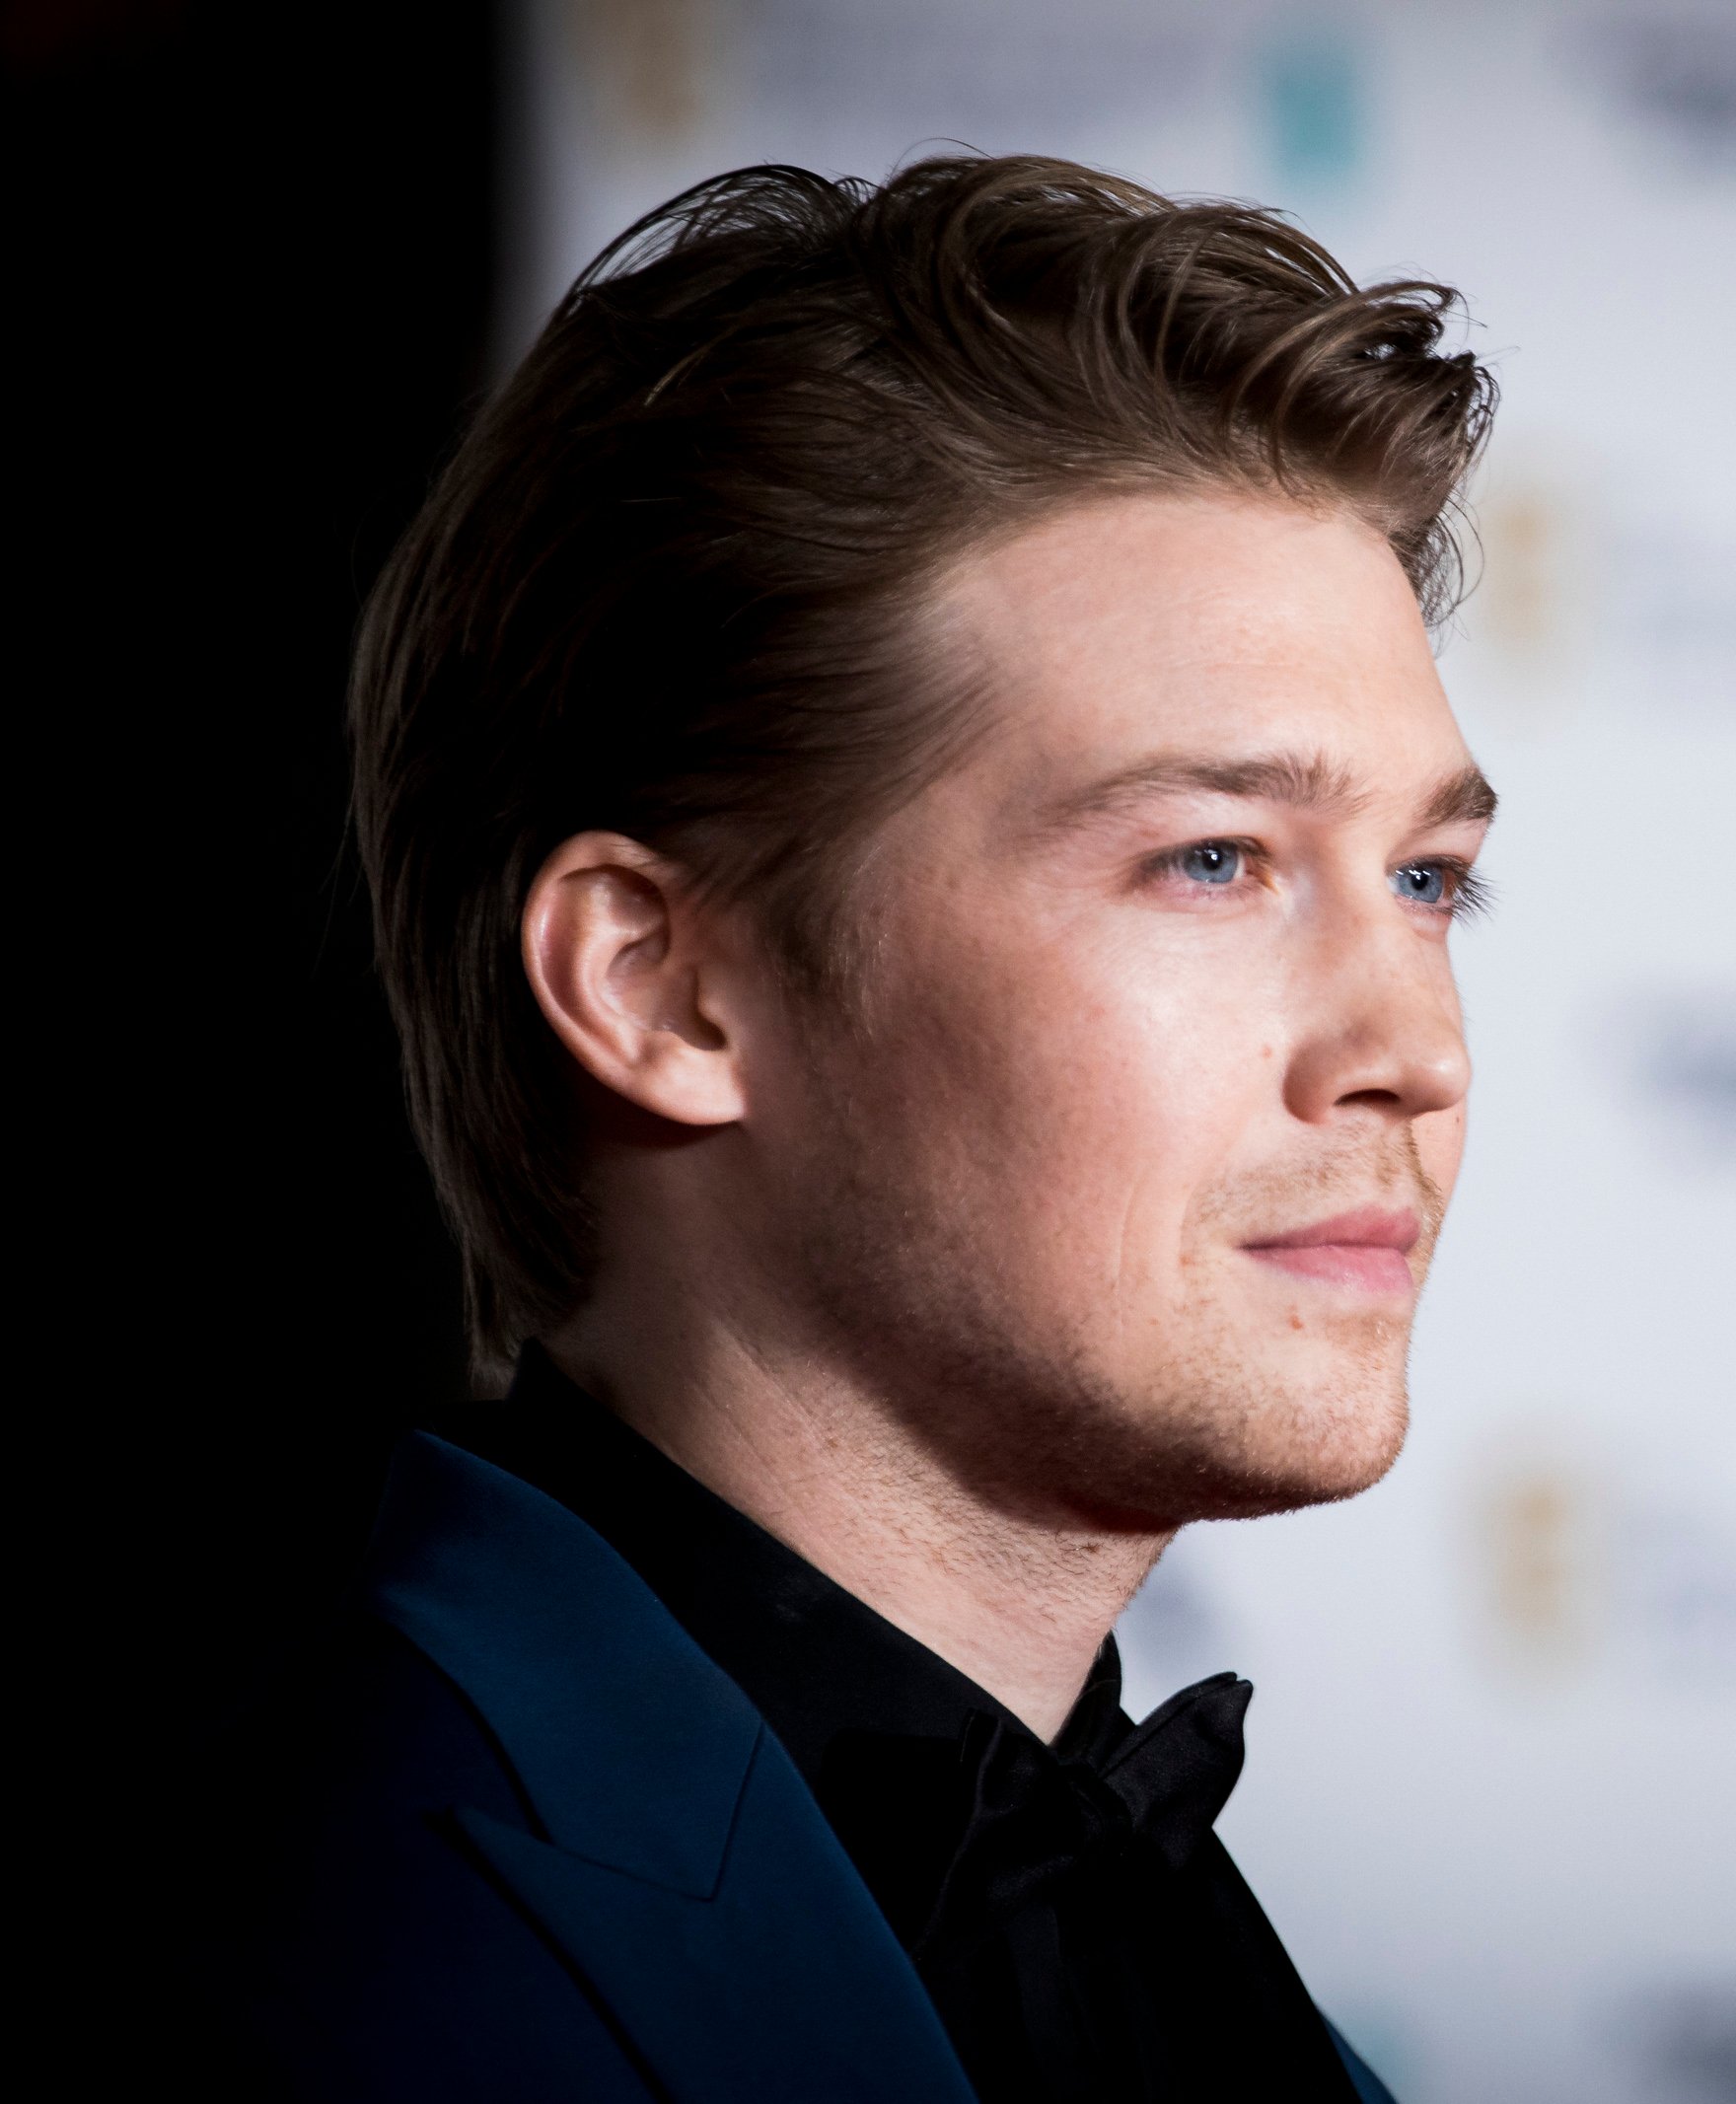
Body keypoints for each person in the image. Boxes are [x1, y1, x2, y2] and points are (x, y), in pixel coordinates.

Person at [232, 155, 1499, 2102]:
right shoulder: (335, 1955)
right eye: (1214, 858)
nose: (1407, 1044)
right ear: (660, 987)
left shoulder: (1186, 1956)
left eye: (1425, 880)